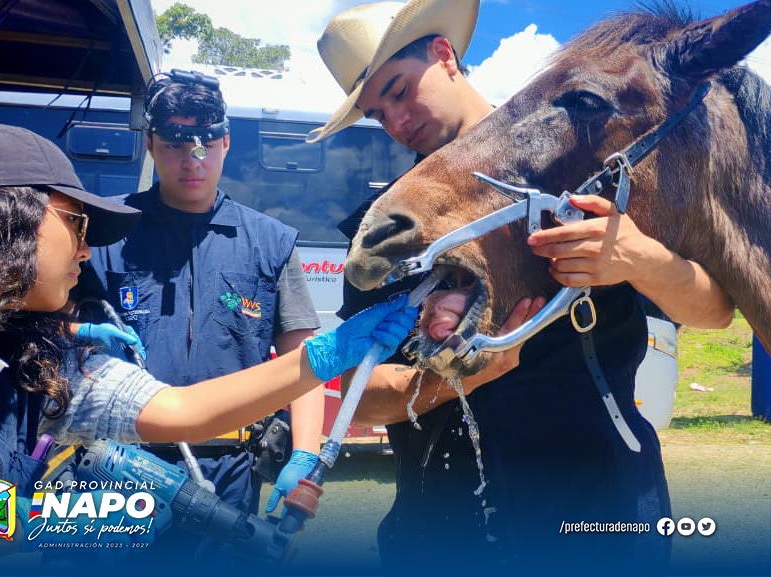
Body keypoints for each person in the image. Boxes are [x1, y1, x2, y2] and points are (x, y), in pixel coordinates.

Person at [310, 1, 735, 575]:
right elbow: (360, 393)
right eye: (376, 112)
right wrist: (468, 370)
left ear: (444, 55)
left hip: (600, 511)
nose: (395, 120)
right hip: (440, 527)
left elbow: (714, 311)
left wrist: (642, 259)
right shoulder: (388, 230)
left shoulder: (589, 165)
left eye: (399, 89)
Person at [0, 123, 418, 571]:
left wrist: (327, 353)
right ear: (2, 220)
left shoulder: (33, 359)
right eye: (76, 222)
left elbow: (181, 409)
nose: (85, 249)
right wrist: (41, 521)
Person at [73, 70, 324, 527]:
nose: (192, 160)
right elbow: (53, 331)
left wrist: (304, 455)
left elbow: (303, 361)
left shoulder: (271, 242)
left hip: (230, 470)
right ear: (150, 144)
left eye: (204, 145)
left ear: (226, 143)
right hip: (119, 468)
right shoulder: (106, 231)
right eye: (174, 145)